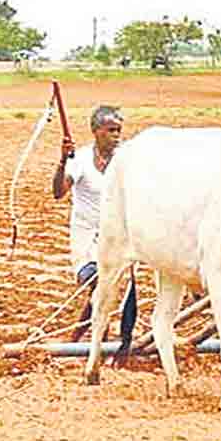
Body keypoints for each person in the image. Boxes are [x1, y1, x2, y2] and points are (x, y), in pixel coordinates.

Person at [52, 105, 134, 342]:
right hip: (87, 235)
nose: (116, 136)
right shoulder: (80, 160)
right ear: (96, 131)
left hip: (116, 235)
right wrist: (62, 160)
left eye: (118, 131)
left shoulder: (125, 160)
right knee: (98, 282)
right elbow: (58, 192)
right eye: (111, 130)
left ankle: (77, 340)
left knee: (105, 288)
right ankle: (94, 340)